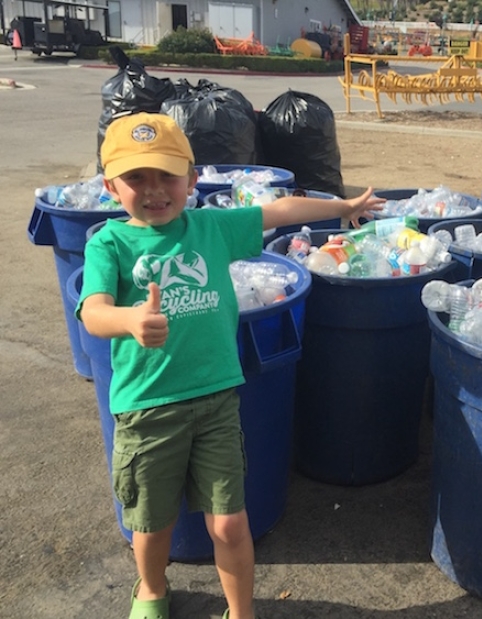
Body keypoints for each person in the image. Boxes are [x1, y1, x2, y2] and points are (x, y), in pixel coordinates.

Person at [76, 112, 384, 619]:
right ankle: (151, 590)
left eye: (167, 176)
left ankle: (241, 611)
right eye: (136, 178)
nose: (154, 190)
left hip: (216, 402)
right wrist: (129, 320)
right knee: (152, 525)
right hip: (147, 411)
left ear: (192, 181)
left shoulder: (212, 227)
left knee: (229, 524)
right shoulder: (108, 243)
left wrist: (344, 204)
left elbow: (279, 210)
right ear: (111, 186)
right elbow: (92, 310)